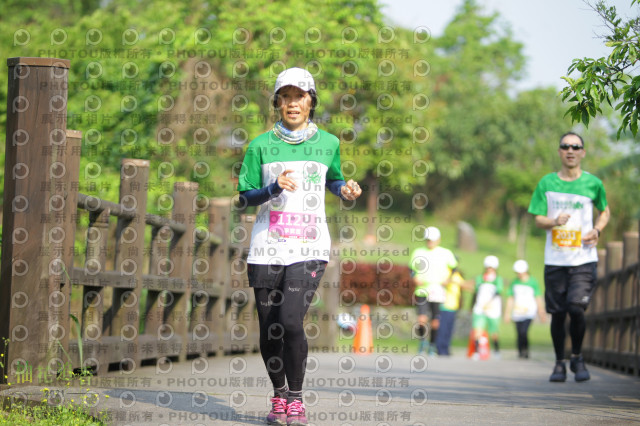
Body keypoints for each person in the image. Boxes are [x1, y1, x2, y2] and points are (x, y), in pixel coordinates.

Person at [236, 67, 362, 425]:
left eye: (300, 96)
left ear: (311, 101)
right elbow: (245, 197)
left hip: (309, 247)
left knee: (291, 320)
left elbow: (334, 180)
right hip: (266, 247)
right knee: (269, 327)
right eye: (286, 96)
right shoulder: (260, 145)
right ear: (277, 102)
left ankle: (296, 399)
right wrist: (273, 188)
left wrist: (346, 190)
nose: (293, 103)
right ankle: (278, 396)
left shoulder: (329, 143)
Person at [528, 131, 609, 382]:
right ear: (560, 151)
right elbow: (537, 218)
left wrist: (596, 230)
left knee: (576, 306)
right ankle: (559, 363)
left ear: (583, 152)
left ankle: (577, 355)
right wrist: (554, 221)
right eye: (565, 146)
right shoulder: (547, 183)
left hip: (584, 258)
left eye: (576, 146)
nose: (570, 150)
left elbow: (605, 212)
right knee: (558, 313)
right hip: (555, 259)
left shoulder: (593, 184)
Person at [409, 226, 458, 355]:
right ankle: (422, 342)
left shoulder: (445, 253)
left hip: (437, 289)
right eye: (428, 239)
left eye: (432, 239)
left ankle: (432, 345)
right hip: (422, 290)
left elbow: (454, 268)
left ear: (438, 240)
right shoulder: (418, 252)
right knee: (421, 319)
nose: (430, 242)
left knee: (435, 321)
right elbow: (411, 269)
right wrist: (414, 278)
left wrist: (448, 279)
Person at [504, 260, 547, 359]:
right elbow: (510, 298)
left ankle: (525, 350)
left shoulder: (533, 282)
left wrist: (541, 311)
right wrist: (507, 313)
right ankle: (520, 351)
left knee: (524, 332)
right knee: (519, 333)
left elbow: (538, 297)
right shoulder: (514, 283)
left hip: (529, 312)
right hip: (517, 312)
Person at [471, 255, 503, 360]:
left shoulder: (498, 279)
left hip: (492, 309)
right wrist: (471, 306)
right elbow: (475, 294)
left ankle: (496, 351)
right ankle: (476, 352)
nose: (489, 269)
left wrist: (489, 303)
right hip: (480, 308)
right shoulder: (480, 278)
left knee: (494, 332)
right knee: (478, 331)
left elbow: (498, 293)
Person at [435, 265, 466, 356]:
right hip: (445, 305)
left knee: (449, 329)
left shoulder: (457, 275)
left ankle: (446, 348)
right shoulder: (445, 273)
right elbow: (443, 283)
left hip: (453, 306)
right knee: (443, 329)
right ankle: (440, 349)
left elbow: (463, 284)